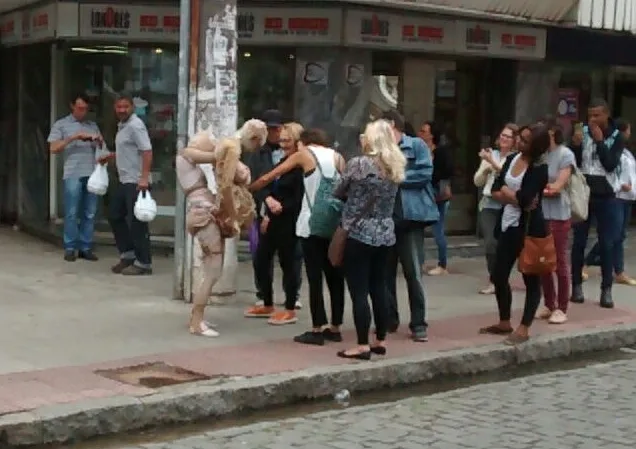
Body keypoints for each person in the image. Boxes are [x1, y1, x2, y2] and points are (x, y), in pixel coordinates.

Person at [250, 128, 346, 345]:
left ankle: (316, 328)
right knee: (335, 275)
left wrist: (251, 187)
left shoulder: (304, 154)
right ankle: (336, 326)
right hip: (333, 223)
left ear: (304, 142)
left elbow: (272, 175)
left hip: (311, 223)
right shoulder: (338, 157)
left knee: (314, 276)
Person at [175, 120, 263, 337]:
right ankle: (197, 321)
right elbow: (219, 158)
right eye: (209, 141)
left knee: (211, 268)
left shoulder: (190, 158)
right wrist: (228, 150)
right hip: (202, 214)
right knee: (213, 270)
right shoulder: (187, 155)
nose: (213, 144)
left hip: (203, 213)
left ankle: (196, 318)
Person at [333, 119, 406, 360]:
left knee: (359, 290)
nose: (362, 138)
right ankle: (380, 339)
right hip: (385, 231)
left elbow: (338, 190)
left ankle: (362, 344)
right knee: (379, 287)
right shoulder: (395, 164)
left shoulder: (359, 164)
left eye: (365, 135)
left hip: (359, 232)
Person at [480, 123, 549, 345]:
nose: (520, 141)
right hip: (507, 223)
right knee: (499, 274)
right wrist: (513, 196)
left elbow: (527, 199)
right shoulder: (511, 160)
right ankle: (504, 320)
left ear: (536, 146)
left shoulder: (539, 168)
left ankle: (524, 326)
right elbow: (495, 189)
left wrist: (511, 195)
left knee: (531, 277)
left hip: (529, 228)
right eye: (521, 137)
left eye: (526, 140)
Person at [383, 110, 439, 342]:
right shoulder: (381, 148)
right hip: (386, 218)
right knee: (385, 273)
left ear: (393, 125)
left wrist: (396, 175)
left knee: (413, 272)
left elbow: (425, 173)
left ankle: (418, 323)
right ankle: (389, 318)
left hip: (411, 217)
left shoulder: (415, 144)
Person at [243, 123, 304, 324]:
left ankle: (289, 306)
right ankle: (267, 302)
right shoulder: (282, 160)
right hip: (272, 217)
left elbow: (299, 195)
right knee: (262, 257)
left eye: (288, 141)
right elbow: (268, 185)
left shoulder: (301, 164)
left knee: (289, 263)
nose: (283, 144)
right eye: (282, 141)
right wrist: (268, 206)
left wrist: (281, 207)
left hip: (290, 218)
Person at [570, 99, 625, 308]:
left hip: (606, 195)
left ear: (606, 115)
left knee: (606, 243)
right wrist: (574, 145)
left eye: (596, 116)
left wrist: (600, 141)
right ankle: (576, 286)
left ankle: (606, 289)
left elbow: (610, 164)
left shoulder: (616, 136)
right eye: (589, 116)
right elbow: (573, 161)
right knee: (579, 241)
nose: (592, 120)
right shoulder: (582, 131)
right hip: (583, 192)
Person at [98, 93, 154, 275]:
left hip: (136, 181)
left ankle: (143, 263)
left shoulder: (136, 126)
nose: (122, 110)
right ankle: (128, 254)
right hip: (124, 180)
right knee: (115, 215)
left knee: (137, 222)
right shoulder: (123, 126)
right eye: (118, 107)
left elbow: (147, 151)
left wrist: (144, 178)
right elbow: (130, 150)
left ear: (132, 107)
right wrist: (112, 156)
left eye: (125, 107)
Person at [47, 92, 104, 262]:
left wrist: (97, 141)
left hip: (92, 173)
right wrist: (74, 137)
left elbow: (101, 148)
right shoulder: (61, 124)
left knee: (90, 212)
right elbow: (53, 148)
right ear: (72, 106)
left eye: (85, 109)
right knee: (71, 212)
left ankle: (85, 247)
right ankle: (70, 247)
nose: (82, 112)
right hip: (72, 173)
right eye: (79, 108)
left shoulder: (92, 125)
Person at [584, 118, 636, 286]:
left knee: (619, 236)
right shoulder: (615, 151)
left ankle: (618, 270)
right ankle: (587, 262)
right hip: (617, 196)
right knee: (611, 236)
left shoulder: (627, 152)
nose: (629, 133)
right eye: (628, 130)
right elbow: (612, 173)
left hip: (629, 197)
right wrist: (622, 185)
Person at [535, 118, 575, 324]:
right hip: (541, 213)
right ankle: (549, 303)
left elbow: (557, 186)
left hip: (559, 214)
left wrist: (535, 191)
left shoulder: (565, 154)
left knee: (559, 260)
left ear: (551, 132)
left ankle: (562, 306)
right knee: (543, 261)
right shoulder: (541, 155)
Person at [473, 123, 519, 294]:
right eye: (503, 135)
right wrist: (486, 170)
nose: (504, 139)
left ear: (515, 140)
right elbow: (477, 181)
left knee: (504, 245)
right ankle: (494, 280)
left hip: (507, 204)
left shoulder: (516, 158)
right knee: (490, 244)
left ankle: (502, 277)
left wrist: (492, 162)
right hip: (488, 204)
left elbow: (507, 175)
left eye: (508, 136)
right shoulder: (492, 154)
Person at [420, 120, 454, 276]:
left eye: (424, 131)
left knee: (438, 229)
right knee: (418, 227)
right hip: (425, 192)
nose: (421, 134)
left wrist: (433, 177)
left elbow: (446, 171)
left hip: (437, 193)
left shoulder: (440, 152)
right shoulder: (421, 149)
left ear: (432, 135)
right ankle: (419, 262)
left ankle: (442, 264)